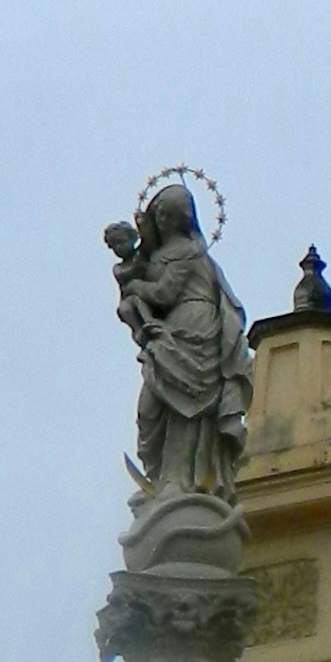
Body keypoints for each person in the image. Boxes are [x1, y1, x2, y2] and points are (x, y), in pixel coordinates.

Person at [104, 182, 250, 501]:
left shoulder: (188, 251)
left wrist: (136, 287)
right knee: (152, 409)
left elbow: (165, 293)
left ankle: (182, 480)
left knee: (191, 406)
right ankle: (163, 477)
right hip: (168, 333)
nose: (164, 221)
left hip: (194, 326)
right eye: (159, 215)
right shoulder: (157, 255)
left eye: (169, 215)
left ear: (181, 218)